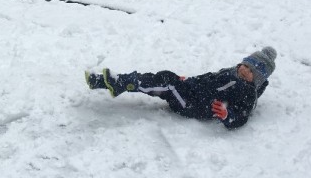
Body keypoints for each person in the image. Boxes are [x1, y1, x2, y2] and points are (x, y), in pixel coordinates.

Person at [85, 47, 277, 129]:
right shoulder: (232, 72)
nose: (245, 70)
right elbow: (208, 78)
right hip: (193, 92)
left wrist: (228, 116)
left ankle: (119, 83)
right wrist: (190, 80)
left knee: (167, 81)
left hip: (196, 105)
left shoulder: (248, 93)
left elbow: (242, 117)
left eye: (251, 71)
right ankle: (105, 82)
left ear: (257, 79)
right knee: (168, 79)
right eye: (246, 64)